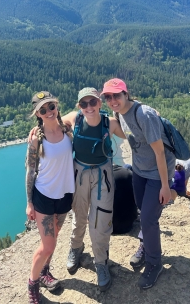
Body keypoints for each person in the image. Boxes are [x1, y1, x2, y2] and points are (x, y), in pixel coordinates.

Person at [101, 78, 175, 290]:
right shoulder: (119, 113)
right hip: (140, 171)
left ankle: (154, 263)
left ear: (126, 93)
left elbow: (160, 152)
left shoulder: (143, 114)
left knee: (149, 219)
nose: (113, 100)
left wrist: (164, 185)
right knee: (144, 212)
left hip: (157, 173)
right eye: (108, 97)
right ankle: (146, 244)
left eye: (117, 95)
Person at [62, 87, 125, 292]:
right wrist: (36, 129)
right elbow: (53, 124)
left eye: (92, 102)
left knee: (100, 222)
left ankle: (100, 262)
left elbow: (134, 134)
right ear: (79, 106)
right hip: (79, 172)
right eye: (84, 104)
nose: (88, 107)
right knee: (79, 215)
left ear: (99, 103)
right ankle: (76, 248)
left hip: (103, 176)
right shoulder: (75, 119)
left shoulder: (111, 123)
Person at [25, 91, 75, 304]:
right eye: (43, 109)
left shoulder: (67, 129)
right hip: (44, 196)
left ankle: (45, 272)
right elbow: (30, 171)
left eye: (51, 106)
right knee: (48, 246)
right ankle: (33, 283)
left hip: (64, 195)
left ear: (57, 106)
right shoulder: (37, 138)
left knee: (53, 240)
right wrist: (29, 202)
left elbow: (79, 111)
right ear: (37, 113)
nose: (48, 112)